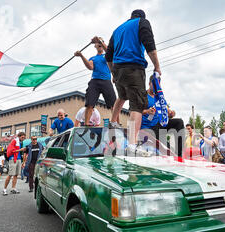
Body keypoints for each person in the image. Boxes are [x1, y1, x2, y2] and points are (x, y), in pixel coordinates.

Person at [105, 9, 161, 151]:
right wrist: (157, 66)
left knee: (122, 96)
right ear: (142, 17)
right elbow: (150, 45)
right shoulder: (142, 22)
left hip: (118, 69)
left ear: (131, 17)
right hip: (133, 67)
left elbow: (108, 56)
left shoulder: (117, 29)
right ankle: (132, 144)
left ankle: (112, 122)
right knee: (137, 105)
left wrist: (113, 73)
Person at [74, 37, 117, 127]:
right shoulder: (93, 58)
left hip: (106, 81)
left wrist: (100, 40)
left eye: (101, 42)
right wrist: (81, 56)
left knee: (114, 104)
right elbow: (90, 67)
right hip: (95, 81)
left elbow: (109, 52)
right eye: (97, 43)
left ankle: (115, 123)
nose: (99, 44)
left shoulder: (106, 55)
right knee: (89, 104)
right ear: (95, 46)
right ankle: (86, 124)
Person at [140, 75, 185, 156]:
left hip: (160, 124)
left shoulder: (159, 97)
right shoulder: (143, 95)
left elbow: (168, 113)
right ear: (149, 83)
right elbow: (134, 111)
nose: (155, 87)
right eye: (153, 85)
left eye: (157, 86)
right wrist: (147, 111)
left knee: (179, 122)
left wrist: (171, 113)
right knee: (167, 147)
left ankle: (179, 154)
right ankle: (168, 151)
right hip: (149, 127)